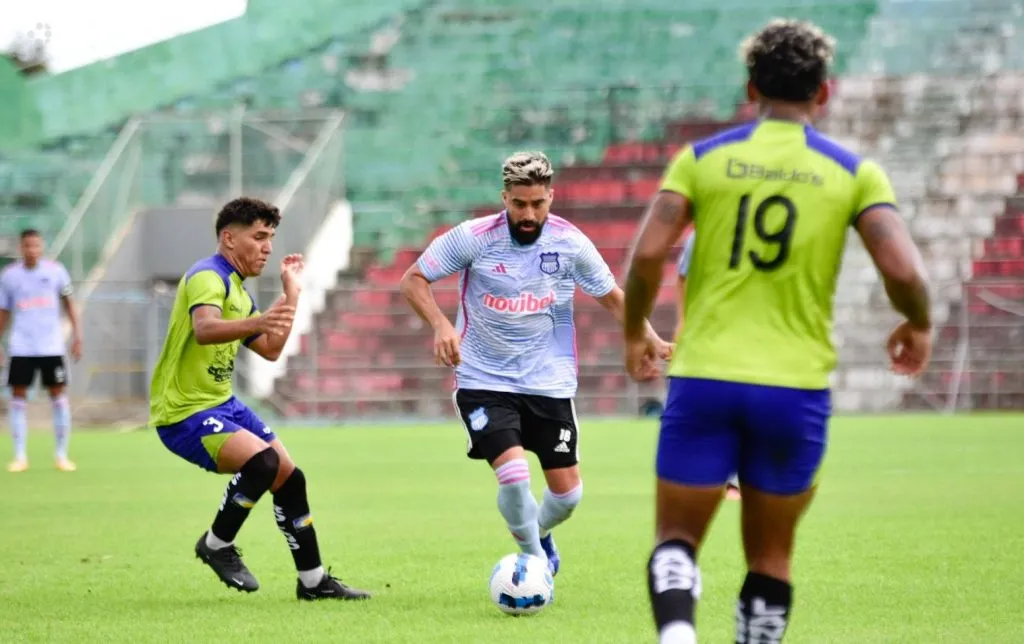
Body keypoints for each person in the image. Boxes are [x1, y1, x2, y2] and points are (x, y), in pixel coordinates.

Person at [622, 19, 932, 644]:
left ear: (750, 88)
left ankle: (677, 633)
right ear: (824, 91)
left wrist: (635, 331)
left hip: (705, 379)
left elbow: (650, 253)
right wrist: (917, 322)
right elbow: (904, 270)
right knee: (770, 558)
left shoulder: (702, 160)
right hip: (794, 388)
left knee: (676, 539)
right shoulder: (853, 172)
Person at [400, 151, 673, 576]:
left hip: (548, 382)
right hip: (484, 378)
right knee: (514, 475)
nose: (528, 214)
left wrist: (650, 337)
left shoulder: (570, 243)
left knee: (567, 497)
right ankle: (532, 562)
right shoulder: (474, 237)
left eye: (537, 204)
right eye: (519, 204)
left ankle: (538, 532)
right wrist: (440, 324)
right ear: (504, 198)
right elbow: (414, 278)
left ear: (551, 197)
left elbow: (612, 296)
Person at [149, 197, 370, 601]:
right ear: (229, 238)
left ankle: (313, 582)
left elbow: (270, 349)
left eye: (270, 238)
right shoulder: (207, 276)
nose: (267, 247)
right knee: (263, 463)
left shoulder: (237, 290)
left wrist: (292, 294)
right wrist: (258, 319)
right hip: (183, 412)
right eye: (259, 237)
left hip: (222, 404)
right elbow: (205, 328)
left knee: (289, 477)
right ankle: (216, 544)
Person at [0, 229, 83, 473]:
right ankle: (20, 456)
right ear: (21, 247)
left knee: (58, 395)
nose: (32, 250)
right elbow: (4, 312)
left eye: (36, 245)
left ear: (42, 246)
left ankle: (61, 455)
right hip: (22, 346)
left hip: (51, 346)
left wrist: (78, 336)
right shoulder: (9, 275)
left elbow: (70, 304)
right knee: (17, 396)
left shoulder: (56, 271)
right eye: (27, 246)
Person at [673, 230, 740, 502]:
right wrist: (682, 322)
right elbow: (683, 278)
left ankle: (734, 479)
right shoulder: (701, 235)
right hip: (708, 335)